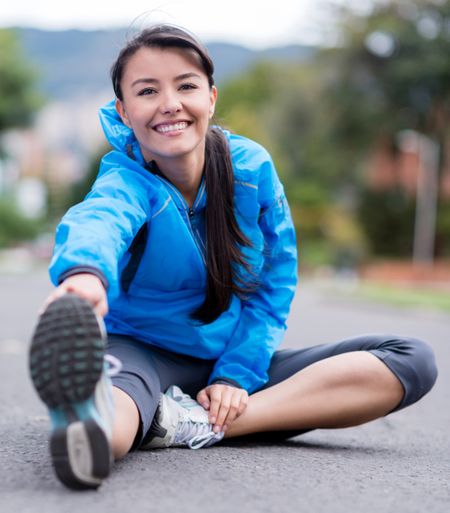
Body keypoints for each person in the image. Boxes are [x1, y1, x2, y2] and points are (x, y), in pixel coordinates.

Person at [29, 24, 438, 490]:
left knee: (411, 360)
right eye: (147, 91)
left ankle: (188, 423)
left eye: (186, 86)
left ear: (211, 98)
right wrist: (84, 277)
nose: (170, 103)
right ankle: (91, 425)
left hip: (230, 360)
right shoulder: (126, 179)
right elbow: (99, 220)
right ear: (123, 111)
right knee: (113, 421)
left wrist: (236, 376)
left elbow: (274, 283)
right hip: (140, 352)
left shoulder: (251, 169)